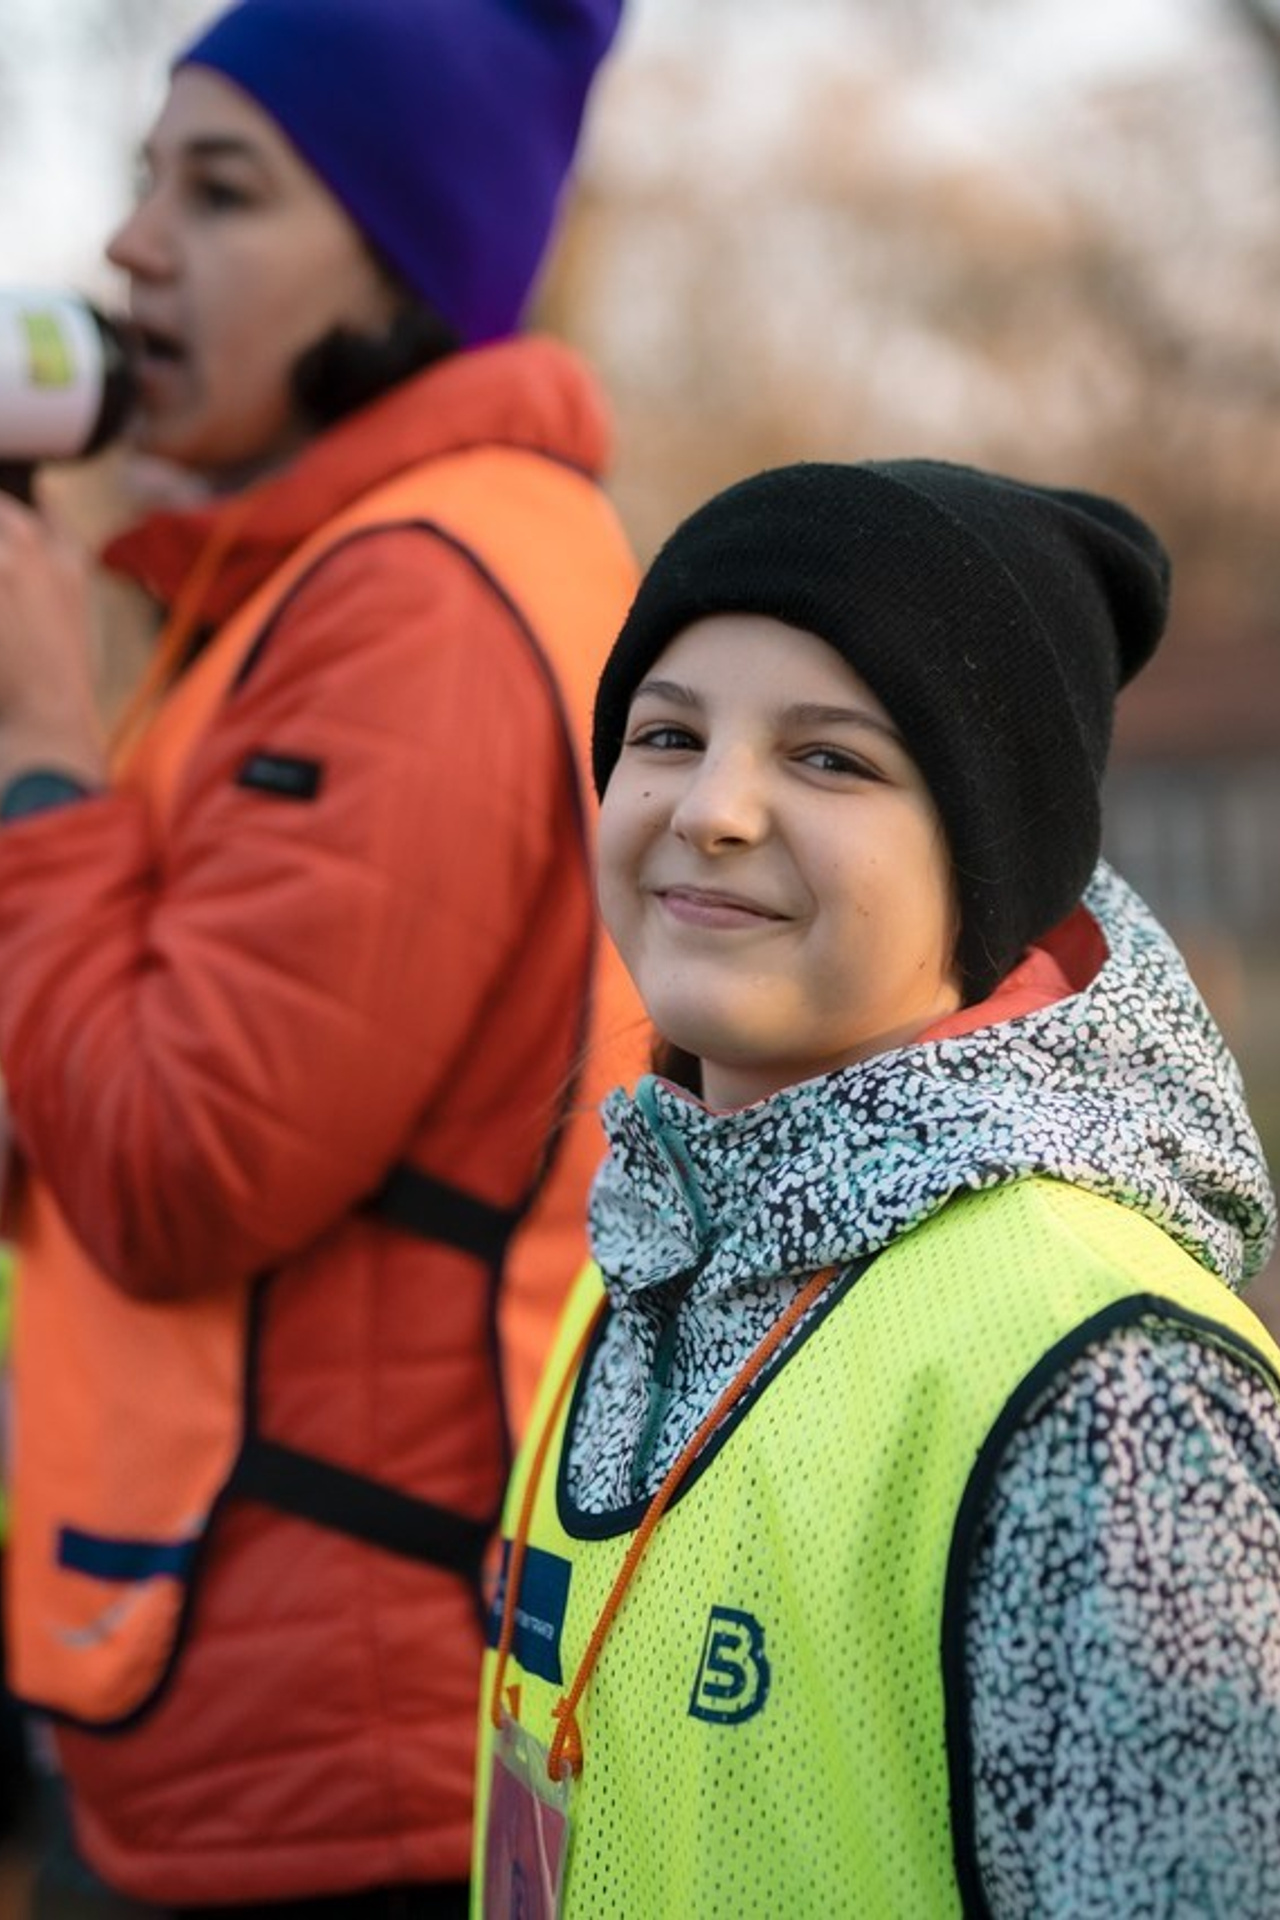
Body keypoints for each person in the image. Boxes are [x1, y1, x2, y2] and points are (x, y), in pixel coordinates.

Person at [0, 0, 643, 1910]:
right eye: (143, 181)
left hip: (354, 1755)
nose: (129, 247)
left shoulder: (424, 601)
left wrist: (39, 755)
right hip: (216, 1696)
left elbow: (179, 1165)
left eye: (221, 190)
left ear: (403, 256)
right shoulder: (293, 591)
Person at [475, 459, 1280, 1917]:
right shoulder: (647, 1262)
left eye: (832, 758)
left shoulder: (1113, 1386)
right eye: (667, 733)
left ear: (988, 860)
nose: (712, 807)